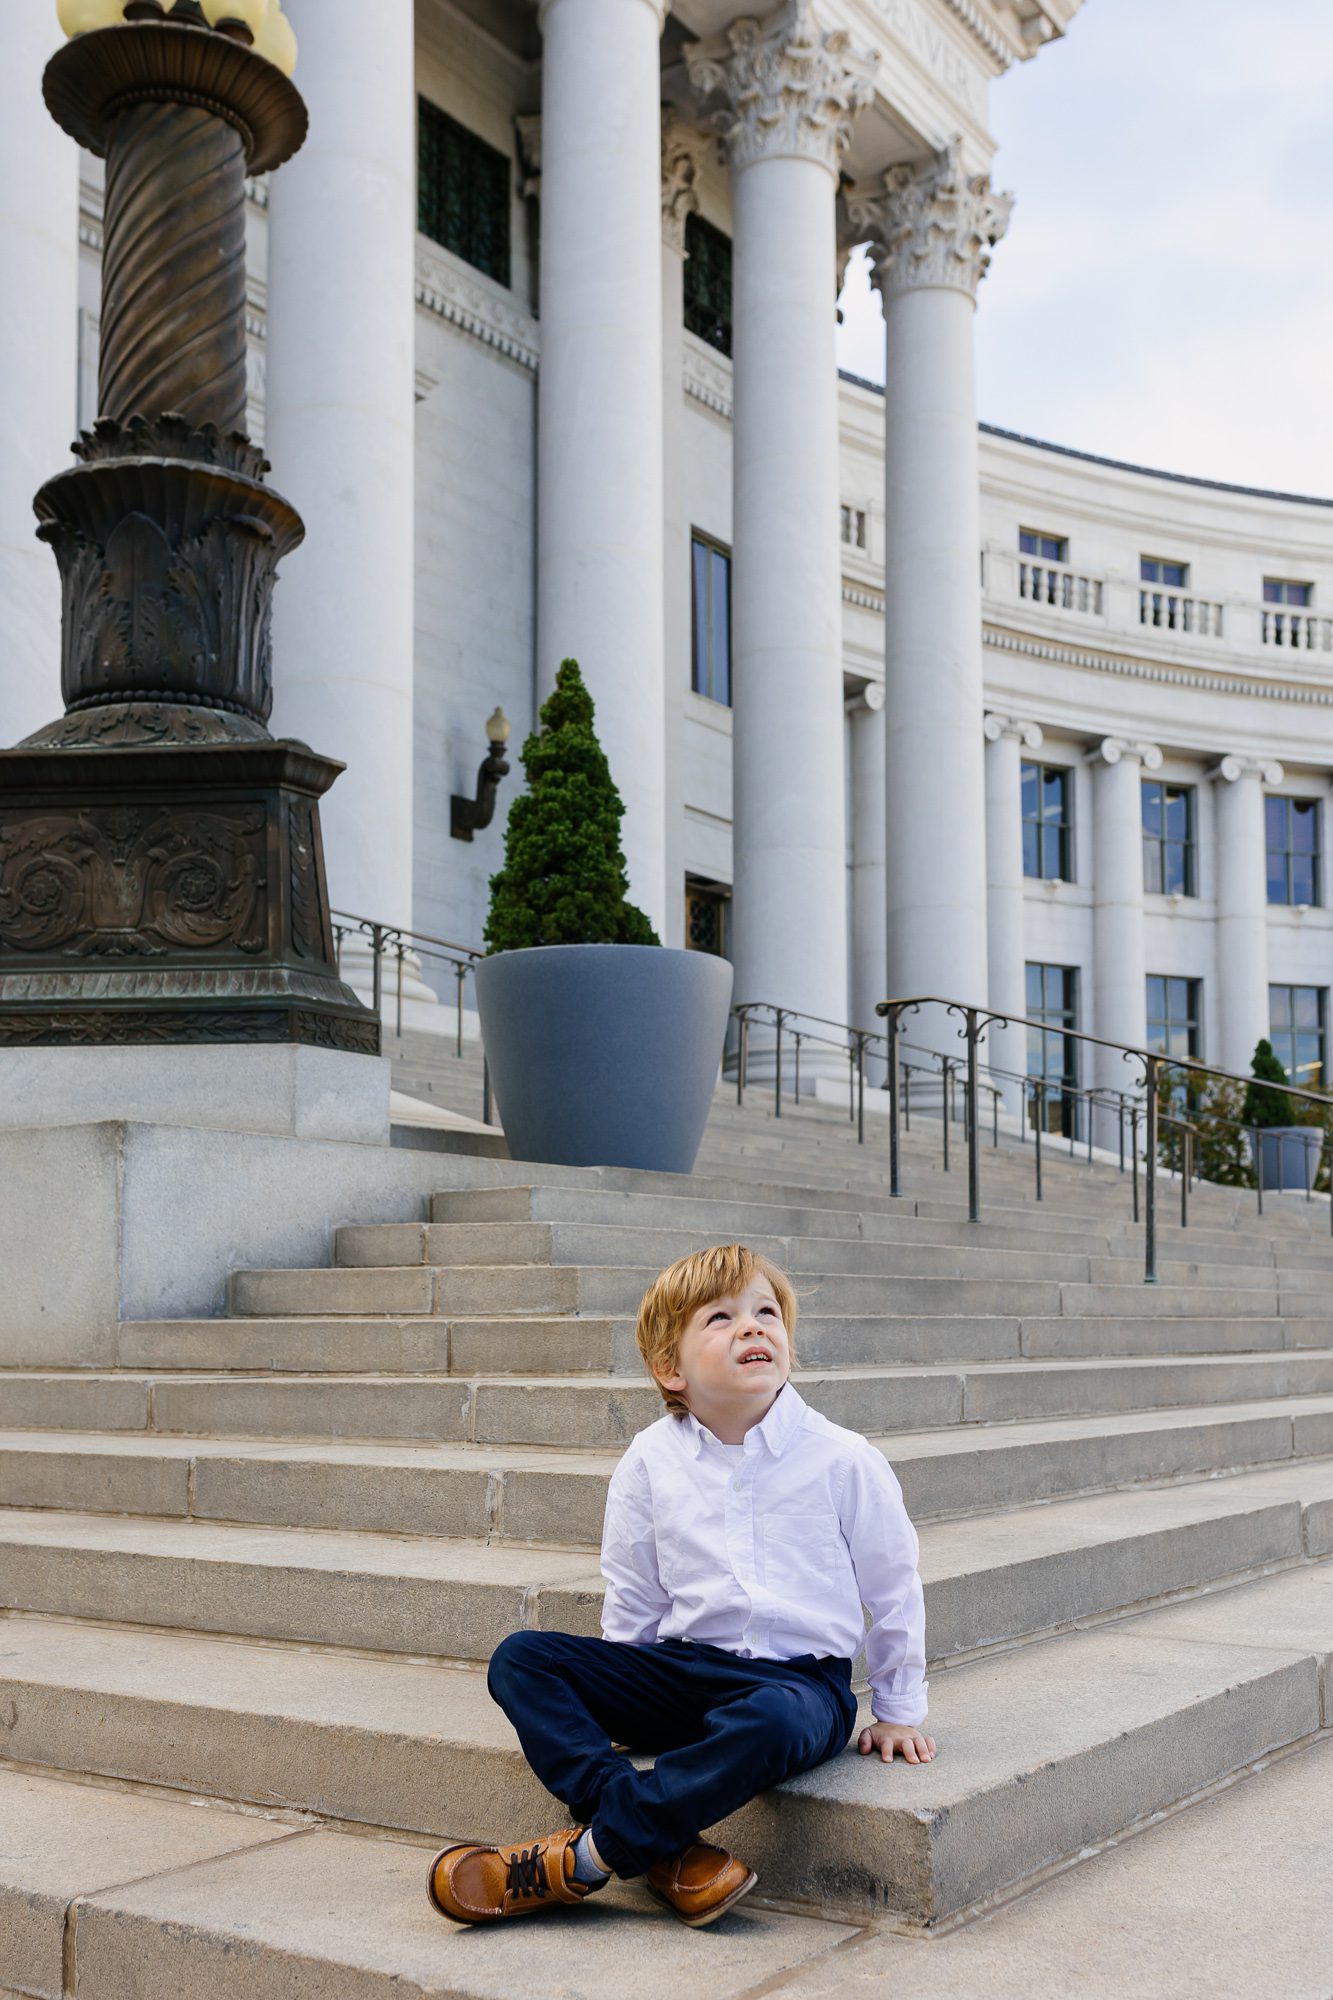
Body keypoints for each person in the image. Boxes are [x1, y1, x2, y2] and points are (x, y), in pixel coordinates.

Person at [427, 1242, 934, 1928]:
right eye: (721, 1319)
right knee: (522, 1656)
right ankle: (661, 1844)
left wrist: (898, 1706)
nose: (754, 1326)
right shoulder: (650, 1458)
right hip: (683, 1669)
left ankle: (581, 1860)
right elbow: (634, 1584)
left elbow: (891, 1583)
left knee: (771, 1719)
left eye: (766, 1312)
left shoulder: (841, 1458)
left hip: (797, 1687)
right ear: (671, 1368)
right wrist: (615, 1685)